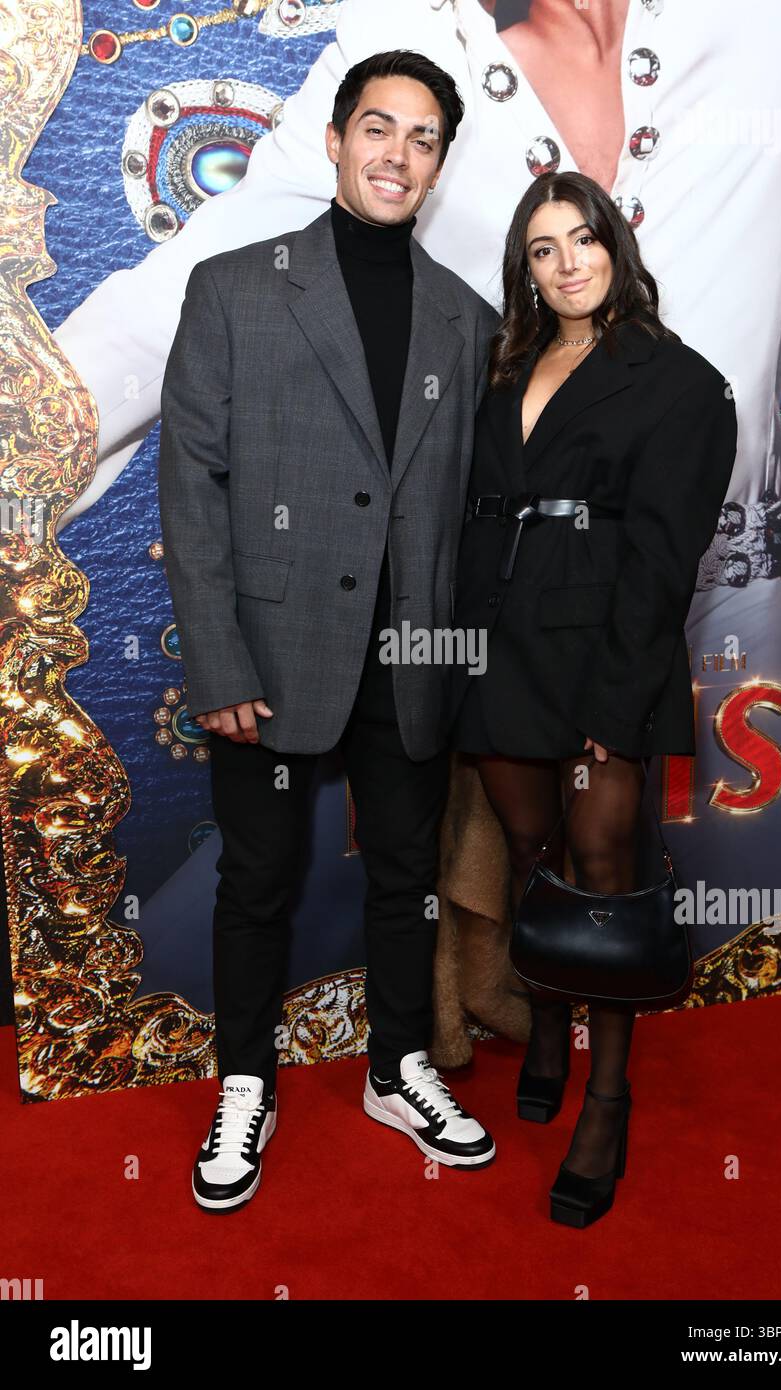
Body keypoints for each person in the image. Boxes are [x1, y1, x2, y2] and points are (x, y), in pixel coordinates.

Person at [55, 0, 781, 958]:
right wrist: (29, 434)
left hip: (719, 615)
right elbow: (167, 311)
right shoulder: (404, 47)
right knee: (457, 896)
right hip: (512, 609)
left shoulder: (775, 17)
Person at [158, 49, 500, 1212]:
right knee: (257, 882)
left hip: (408, 667)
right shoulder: (236, 287)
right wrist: (216, 656)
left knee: (406, 874)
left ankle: (397, 1064)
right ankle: (243, 1079)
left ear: (440, 162)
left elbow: (469, 513)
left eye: (420, 137)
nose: (396, 152)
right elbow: (189, 486)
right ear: (337, 140)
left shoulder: (468, 319)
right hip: (267, 661)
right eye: (376, 128)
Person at [449, 170, 738, 1227]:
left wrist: (612, 710)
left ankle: (605, 1098)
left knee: (604, 883)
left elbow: (664, 561)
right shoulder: (504, 363)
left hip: (604, 660)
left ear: (614, 245)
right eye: (541, 248)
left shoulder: (678, 382)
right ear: (523, 268)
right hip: (499, 650)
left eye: (582, 238)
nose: (566, 262)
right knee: (534, 862)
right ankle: (546, 1024)